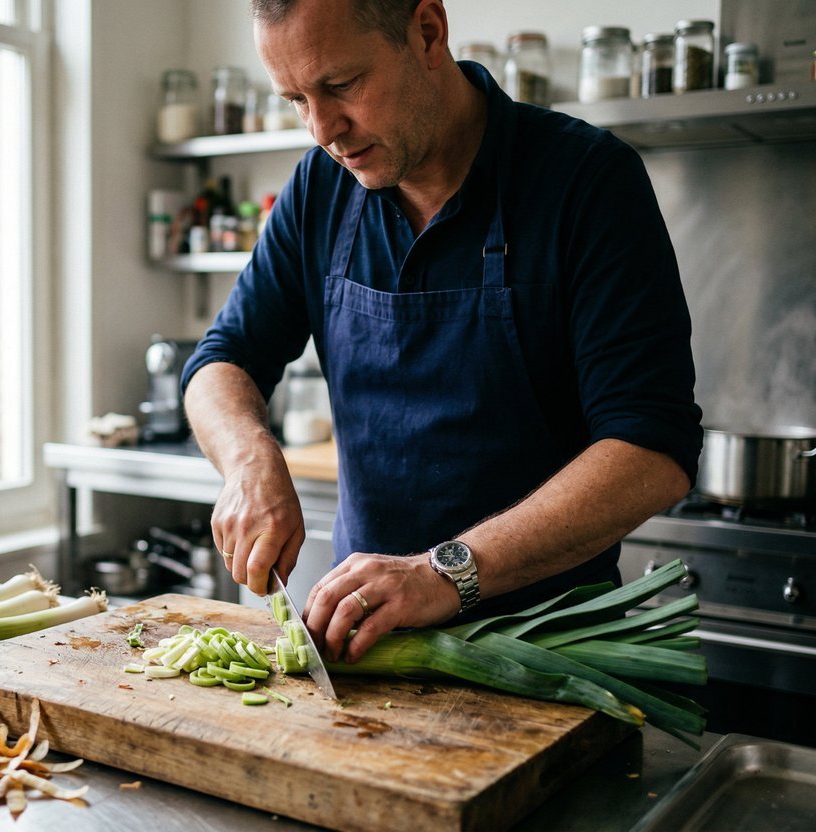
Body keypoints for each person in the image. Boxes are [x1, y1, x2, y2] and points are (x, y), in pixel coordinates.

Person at [180, 0, 702, 665]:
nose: (322, 130)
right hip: (367, 650)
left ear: (427, 33)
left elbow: (651, 450)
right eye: (296, 100)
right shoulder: (320, 190)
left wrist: (444, 573)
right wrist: (249, 460)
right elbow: (221, 362)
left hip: (547, 660)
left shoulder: (587, 181)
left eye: (341, 86)